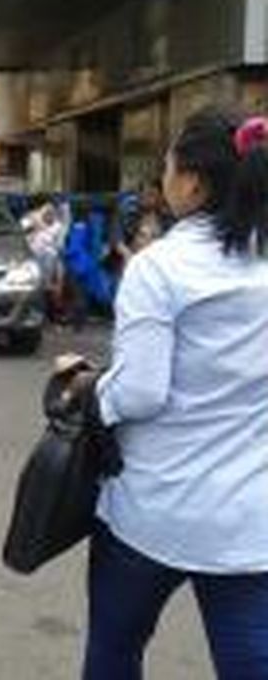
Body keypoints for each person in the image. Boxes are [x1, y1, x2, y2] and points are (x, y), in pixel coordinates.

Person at [71, 109, 268, 679]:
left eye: (168, 164)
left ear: (195, 182)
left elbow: (138, 393)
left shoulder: (160, 268)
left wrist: (88, 388)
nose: (163, 175)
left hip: (153, 512)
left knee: (114, 651)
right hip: (249, 524)